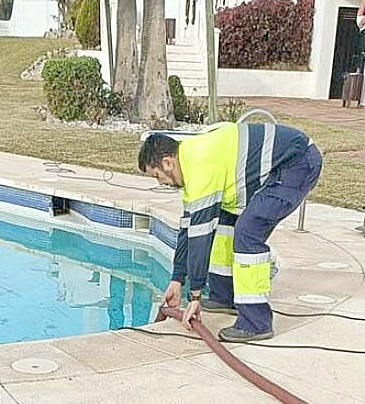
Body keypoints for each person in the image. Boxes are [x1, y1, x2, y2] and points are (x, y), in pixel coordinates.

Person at [138, 122, 322, 342]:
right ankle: (224, 296)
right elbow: (188, 231)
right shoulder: (189, 166)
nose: (161, 182)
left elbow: (201, 238)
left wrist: (195, 295)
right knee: (226, 223)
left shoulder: (200, 166)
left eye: (157, 176)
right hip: (287, 162)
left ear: (168, 163)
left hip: (296, 163)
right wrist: (177, 278)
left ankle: (256, 322)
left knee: (248, 232)